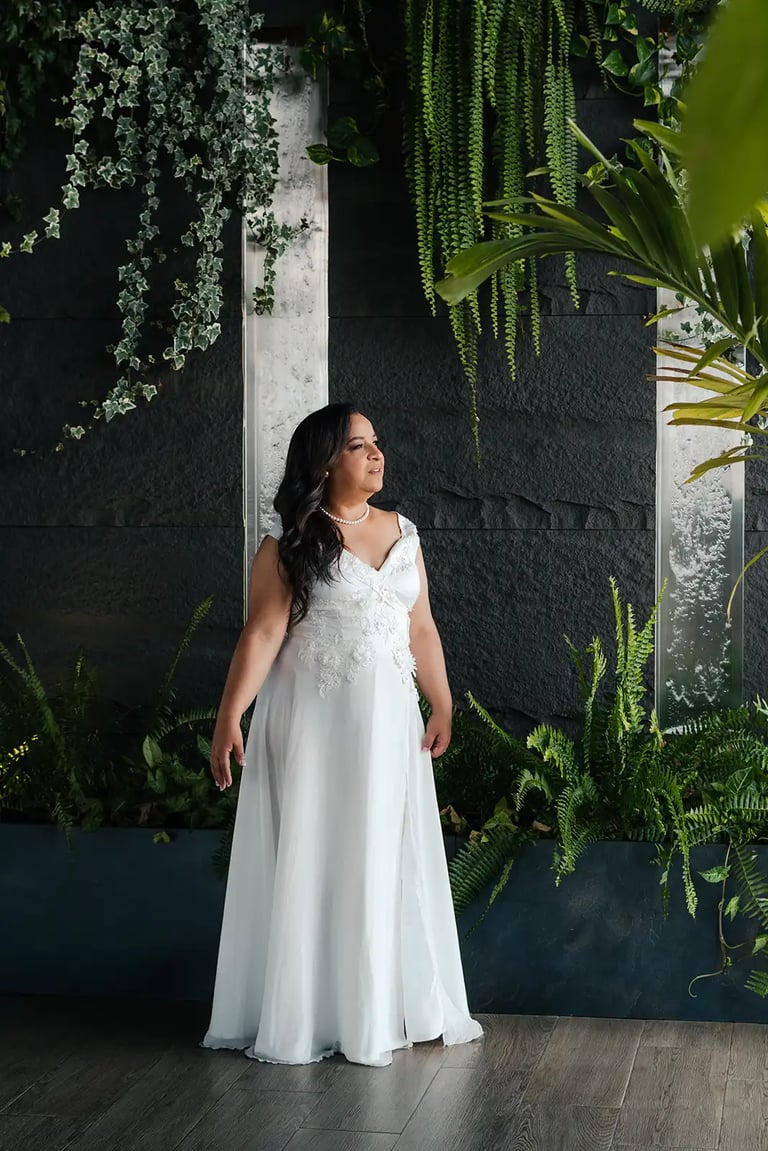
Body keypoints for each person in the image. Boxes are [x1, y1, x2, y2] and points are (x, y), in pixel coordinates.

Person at [199, 402, 484, 1067]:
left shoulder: (404, 532)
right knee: (319, 855)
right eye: (359, 445)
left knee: (380, 855)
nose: (376, 454)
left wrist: (441, 700)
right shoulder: (289, 543)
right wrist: (229, 715)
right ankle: (314, 1013)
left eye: (376, 442)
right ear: (325, 462)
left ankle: (377, 1009)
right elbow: (263, 632)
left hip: (389, 730)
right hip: (314, 729)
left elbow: (421, 627)